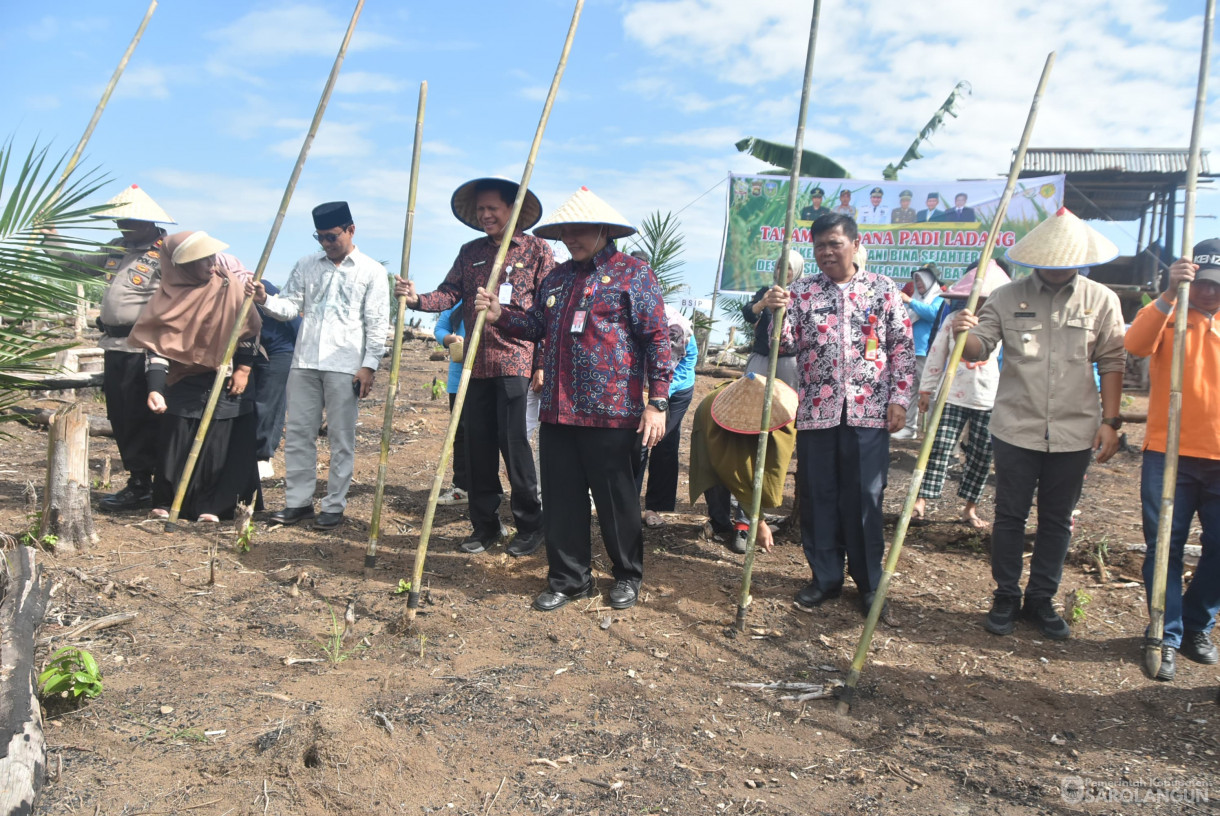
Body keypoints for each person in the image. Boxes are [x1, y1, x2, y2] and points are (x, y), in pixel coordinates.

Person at [475, 186, 670, 612]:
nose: (571, 239)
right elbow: (536, 327)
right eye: (565, 232)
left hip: (612, 412)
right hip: (558, 410)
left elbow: (657, 339)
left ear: (603, 229)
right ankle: (569, 579)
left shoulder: (633, 274)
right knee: (562, 501)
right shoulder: (557, 278)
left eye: (579, 231)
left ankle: (627, 575)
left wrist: (658, 401)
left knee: (617, 502)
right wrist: (500, 315)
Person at [952, 207, 1126, 641]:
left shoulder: (1100, 299)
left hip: (1075, 429)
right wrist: (962, 331)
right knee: (1009, 517)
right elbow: (977, 349)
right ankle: (1006, 595)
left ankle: (1042, 598)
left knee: (1057, 518)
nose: (1056, 264)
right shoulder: (1006, 297)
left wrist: (1111, 421)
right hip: (1015, 425)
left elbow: (1113, 360)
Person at [761, 213, 915, 616]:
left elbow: (901, 346)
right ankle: (825, 577)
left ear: (855, 243)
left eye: (834, 243)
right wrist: (773, 313)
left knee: (865, 497)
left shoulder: (882, 289)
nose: (827, 253)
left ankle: (868, 583)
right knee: (818, 496)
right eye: (819, 247)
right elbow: (784, 346)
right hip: (816, 414)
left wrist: (899, 398)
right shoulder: (801, 292)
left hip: (870, 411)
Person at [396, 178, 552, 556]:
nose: (485, 215)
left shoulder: (537, 251)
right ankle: (486, 526)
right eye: (480, 209)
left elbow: (550, 310)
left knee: (514, 448)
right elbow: (449, 293)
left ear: (512, 210)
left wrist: (542, 364)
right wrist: (417, 299)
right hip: (474, 367)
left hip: (515, 362)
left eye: (492, 208)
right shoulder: (470, 253)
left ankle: (531, 526)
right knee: (478, 450)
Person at [249, 201, 390, 530]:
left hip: (345, 364)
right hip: (305, 361)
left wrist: (369, 365)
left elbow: (377, 322)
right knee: (298, 434)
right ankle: (297, 502)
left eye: (332, 236)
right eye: (320, 237)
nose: (326, 243)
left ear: (350, 230)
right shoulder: (306, 265)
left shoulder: (371, 271)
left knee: (341, 437)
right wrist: (264, 300)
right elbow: (289, 306)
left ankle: (334, 505)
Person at [45, 184, 174, 511]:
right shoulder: (117, 247)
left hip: (147, 348)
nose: (121, 228)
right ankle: (139, 481)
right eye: (118, 222)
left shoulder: (167, 251)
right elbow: (77, 265)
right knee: (123, 416)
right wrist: (51, 237)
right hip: (114, 344)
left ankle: (157, 484)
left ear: (146, 221)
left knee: (148, 416)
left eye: (127, 222)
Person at [1125, 240, 1220, 681]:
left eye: (1217, 286)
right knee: (1165, 545)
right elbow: (1136, 344)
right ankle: (1165, 629)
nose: (1209, 294)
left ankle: (1200, 623)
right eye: (1202, 284)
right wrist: (1168, 294)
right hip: (1170, 452)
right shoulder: (1168, 316)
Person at [128, 232, 262, 522]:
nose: (211, 265)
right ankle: (170, 500)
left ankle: (214, 505)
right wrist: (155, 389)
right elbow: (156, 348)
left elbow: (249, 328)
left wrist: (243, 368)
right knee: (177, 437)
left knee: (220, 443)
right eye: (202, 261)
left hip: (227, 375)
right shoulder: (167, 295)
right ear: (183, 266)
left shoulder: (229, 286)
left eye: (212, 258)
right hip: (183, 378)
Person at [911, 261, 1010, 529]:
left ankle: (970, 508)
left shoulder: (1005, 325)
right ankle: (920, 502)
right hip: (951, 395)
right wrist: (926, 390)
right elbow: (936, 354)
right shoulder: (953, 321)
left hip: (989, 398)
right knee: (939, 446)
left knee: (981, 453)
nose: (979, 305)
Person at [689, 373, 798, 555]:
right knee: (713, 469)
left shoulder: (782, 404)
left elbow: (767, 470)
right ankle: (720, 520)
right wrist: (761, 522)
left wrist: (753, 521)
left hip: (768, 415)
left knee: (760, 467)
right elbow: (734, 472)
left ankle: (743, 525)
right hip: (716, 421)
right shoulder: (714, 412)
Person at [635, 303, 697, 528]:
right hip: (642, 383)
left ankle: (655, 507)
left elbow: (676, 366)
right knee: (637, 442)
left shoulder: (675, 326)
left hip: (677, 385)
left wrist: (657, 399)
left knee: (662, 441)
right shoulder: (631, 316)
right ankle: (630, 505)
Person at [252, 279, 300, 480]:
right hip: (254, 349)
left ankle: (264, 455)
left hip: (281, 350)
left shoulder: (261, 286)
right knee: (254, 401)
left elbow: (296, 322)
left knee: (271, 401)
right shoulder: (218, 292)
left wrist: (299, 353)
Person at [893, 265, 944, 439]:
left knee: (931, 392)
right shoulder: (916, 299)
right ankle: (908, 427)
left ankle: (933, 432)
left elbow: (933, 314)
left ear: (931, 281)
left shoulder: (938, 298)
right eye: (916, 281)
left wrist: (911, 301)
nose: (919, 284)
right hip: (910, 350)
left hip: (928, 352)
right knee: (910, 389)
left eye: (922, 281)